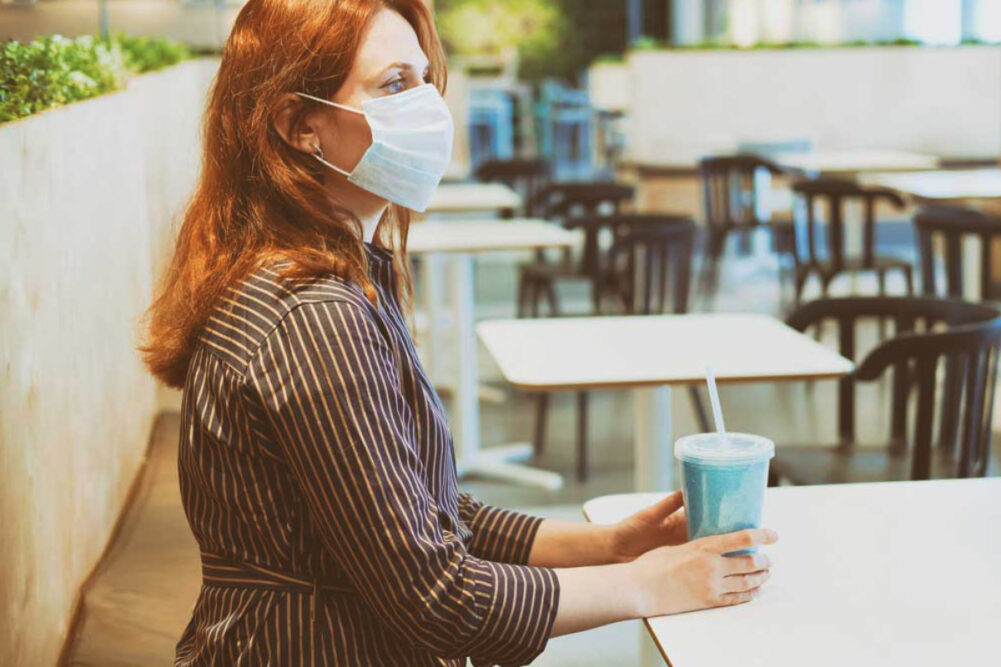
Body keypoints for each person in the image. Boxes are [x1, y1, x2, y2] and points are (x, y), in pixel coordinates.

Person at [140, 0, 777, 665]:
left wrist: (610, 545)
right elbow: (437, 596)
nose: (427, 108)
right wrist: (647, 584)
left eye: (423, 80)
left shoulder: (333, 272)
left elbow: (424, 509)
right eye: (393, 84)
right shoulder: (313, 313)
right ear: (300, 125)